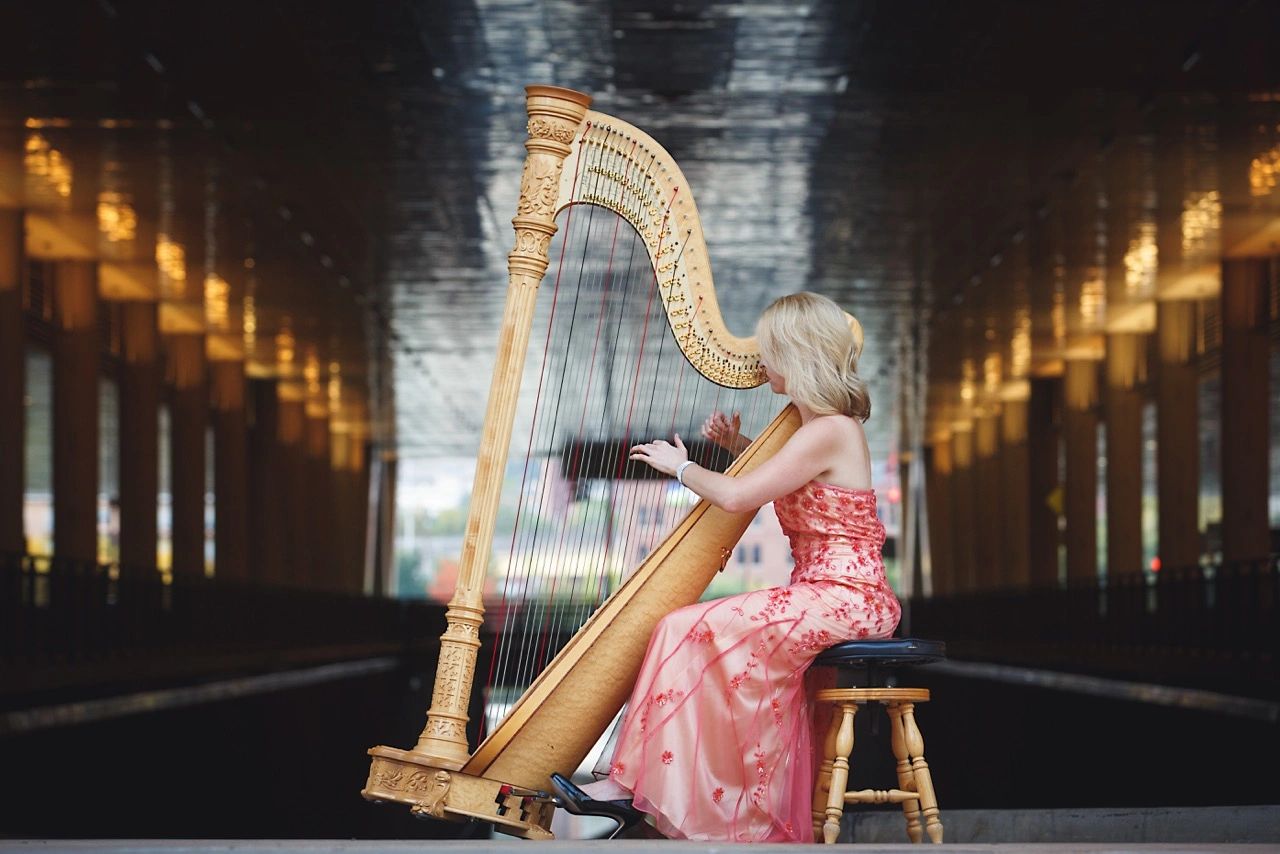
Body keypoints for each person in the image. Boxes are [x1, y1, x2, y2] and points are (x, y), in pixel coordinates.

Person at [551, 292, 901, 842]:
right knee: (684, 629)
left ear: (798, 353)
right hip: (823, 592)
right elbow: (793, 482)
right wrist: (738, 444)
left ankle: (636, 789)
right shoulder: (815, 431)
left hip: (847, 594)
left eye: (769, 352)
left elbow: (738, 498)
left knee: (684, 626)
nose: (760, 364)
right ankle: (640, 788)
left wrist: (681, 465)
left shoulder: (829, 428)